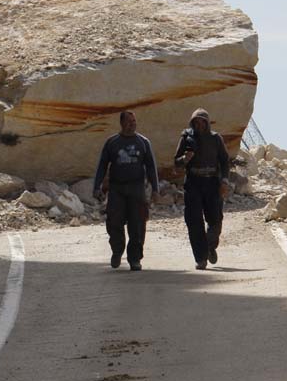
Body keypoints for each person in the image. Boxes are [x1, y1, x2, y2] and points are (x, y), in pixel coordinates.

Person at [93, 110, 159, 271]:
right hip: (117, 189)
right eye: (129, 121)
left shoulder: (143, 142)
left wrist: (155, 189)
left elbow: (151, 167)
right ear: (122, 123)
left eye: (134, 121)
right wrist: (97, 186)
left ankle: (135, 258)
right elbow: (102, 165)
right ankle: (117, 251)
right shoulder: (112, 142)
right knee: (114, 222)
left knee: (137, 225)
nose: (132, 124)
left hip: (137, 189)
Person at [174, 108, 230, 270]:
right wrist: (185, 158)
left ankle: (210, 245)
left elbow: (224, 161)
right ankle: (200, 258)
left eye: (202, 122)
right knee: (193, 221)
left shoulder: (216, 139)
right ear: (192, 123)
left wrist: (224, 181)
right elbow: (176, 162)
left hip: (212, 182)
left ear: (207, 123)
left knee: (215, 219)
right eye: (196, 122)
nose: (199, 125)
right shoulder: (186, 137)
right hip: (193, 183)